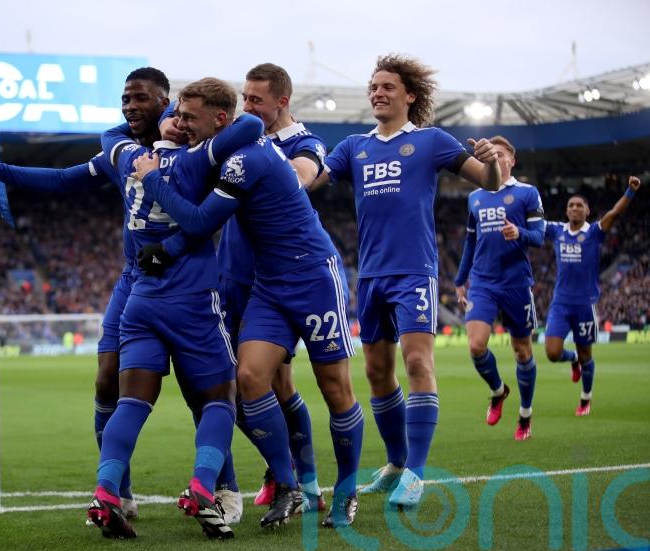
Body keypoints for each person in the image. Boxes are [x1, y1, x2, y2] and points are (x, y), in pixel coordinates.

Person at [132, 77, 363, 529]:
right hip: (268, 285)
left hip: (313, 275)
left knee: (335, 388)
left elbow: (199, 220)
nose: (182, 124)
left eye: (190, 117)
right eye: (178, 116)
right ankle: (289, 483)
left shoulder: (245, 159)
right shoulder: (229, 153)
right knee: (250, 377)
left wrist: (152, 179)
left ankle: (347, 491)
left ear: (221, 118)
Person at [0, 67, 171, 519]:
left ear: (165, 100)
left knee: (207, 392)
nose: (130, 106)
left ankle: (221, 490)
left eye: (140, 98)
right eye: (125, 98)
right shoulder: (120, 149)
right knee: (107, 378)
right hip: (135, 279)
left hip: (191, 280)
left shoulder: (195, 144)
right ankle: (118, 492)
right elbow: (66, 179)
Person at [309, 53, 502, 508]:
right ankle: (395, 463)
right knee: (377, 372)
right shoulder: (353, 146)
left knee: (418, 364)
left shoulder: (432, 141)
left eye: (387, 86)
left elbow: (490, 184)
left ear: (409, 96)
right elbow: (312, 181)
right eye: (373, 86)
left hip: (414, 271)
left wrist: (491, 162)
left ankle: (416, 473)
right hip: (372, 274)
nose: (377, 92)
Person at [88, 80, 263, 540]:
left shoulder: (128, 156)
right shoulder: (194, 159)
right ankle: (205, 486)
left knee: (131, 400)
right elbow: (250, 125)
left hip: (140, 300)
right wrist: (203, 130)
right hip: (192, 302)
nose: (182, 122)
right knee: (219, 400)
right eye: (179, 117)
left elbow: (109, 141)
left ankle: (106, 491)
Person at [225, 62, 328, 511]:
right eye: (243, 98)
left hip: (273, 279)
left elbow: (302, 176)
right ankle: (280, 467)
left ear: (282, 101)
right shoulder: (243, 138)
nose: (245, 107)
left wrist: (256, 157)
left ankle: (304, 483)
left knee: (273, 381)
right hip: (230, 274)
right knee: (233, 384)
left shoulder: (304, 143)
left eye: (255, 100)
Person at [454, 136, 545, 442]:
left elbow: (540, 237)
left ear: (512, 160)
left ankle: (525, 414)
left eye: (500, 154)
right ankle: (497, 391)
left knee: (522, 351)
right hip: (483, 282)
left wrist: (519, 232)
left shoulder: (527, 193)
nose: (494, 158)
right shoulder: (475, 198)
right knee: (476, 345)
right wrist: (459, 280)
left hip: (517, 283)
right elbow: (470, 241)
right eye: (490, 154)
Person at [543, 176, 642, 415]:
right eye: (571, 205)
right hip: (560, 303)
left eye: (579, 205)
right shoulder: (556, 230)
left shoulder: (595, 232)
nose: (575, 208)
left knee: (588, 354)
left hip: (585, 305)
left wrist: (630, 190)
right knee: (553, 353)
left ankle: (585, 398)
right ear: (566, 211)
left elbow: (615, 213)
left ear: (587, 211)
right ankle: (572, 358)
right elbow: (532, 223)